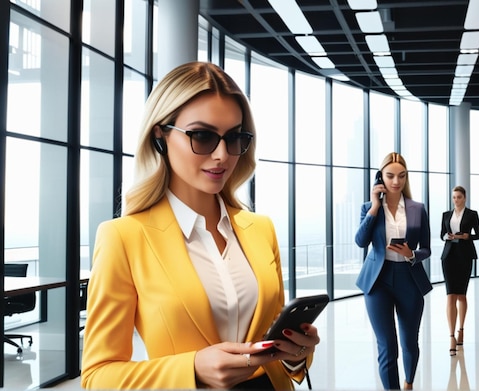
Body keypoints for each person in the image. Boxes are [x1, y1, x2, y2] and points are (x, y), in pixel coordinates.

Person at [80, 62, 320, 390]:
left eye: (234, 138)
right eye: (203, 136)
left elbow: (278, 348)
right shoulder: (124, 237)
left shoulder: (260, 229)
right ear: (160, 134)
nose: (222, 154)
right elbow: (97, 377)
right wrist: (191, 369)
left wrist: (295, 353)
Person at [355, 152, 433, 391]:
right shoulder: (370, 207)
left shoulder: (417, 209)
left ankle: (408, 382)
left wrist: (412, 254)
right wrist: (375, 206)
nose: (396, 181)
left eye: (401, 176)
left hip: (409, 278)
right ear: (381, 177)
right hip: (378, 280)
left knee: (409, 342)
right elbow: (360, 241)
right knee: (387, 344)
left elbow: (427, 249)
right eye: (390, 176)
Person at [440, 185, 479, 356]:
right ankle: (451, 336)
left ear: (465, 198)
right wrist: (447, 236)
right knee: (450, 295)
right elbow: (442, 233)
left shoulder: (472, 214)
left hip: (464, 255)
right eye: (454, 197)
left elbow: (478, 234)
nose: (456, 200)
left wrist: (466, 236)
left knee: (461, 295)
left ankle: (461, 329)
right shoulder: (446, 215)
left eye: (459, 197)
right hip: (449, 256)